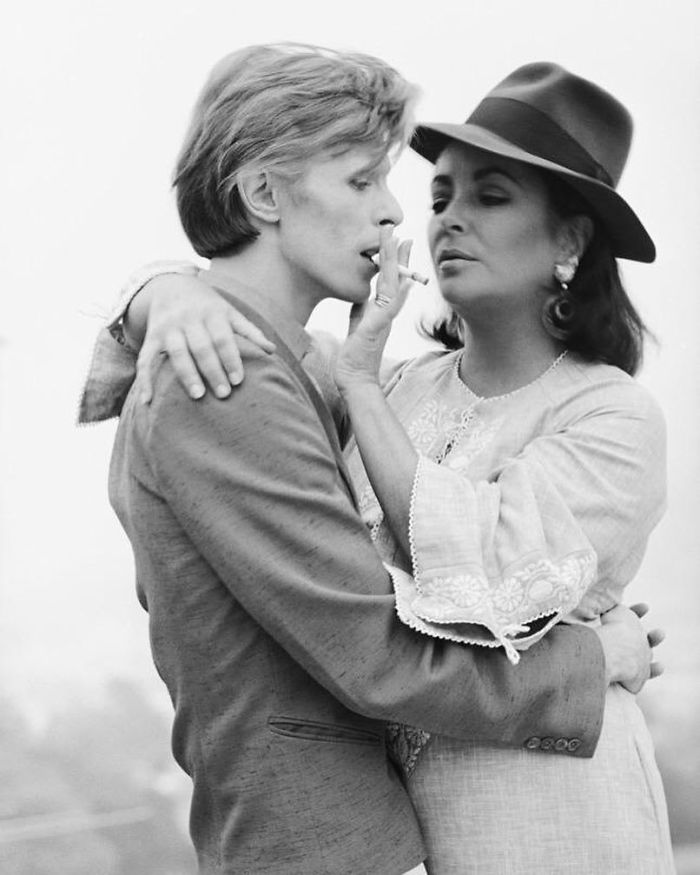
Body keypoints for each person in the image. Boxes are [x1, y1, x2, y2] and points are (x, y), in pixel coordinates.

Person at [81, 46, 664, 875]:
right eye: (379, 185)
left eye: (489, 196)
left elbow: (487, 572)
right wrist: (163, 292)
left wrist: (179, 294)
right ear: (265, 193)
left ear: (570, 241)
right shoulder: (344, 383)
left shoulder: (604, 412)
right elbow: (372, 647)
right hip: (374, 829)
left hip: (546, 805)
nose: (411, 218)